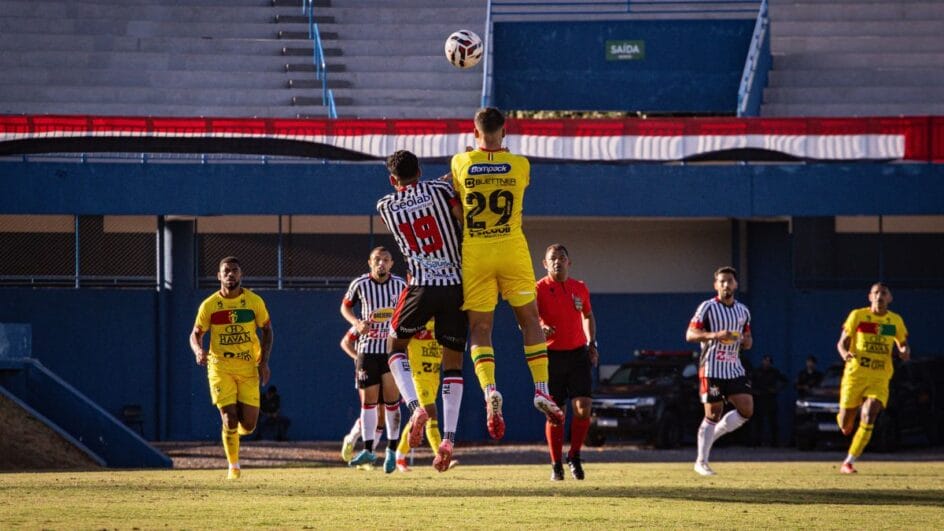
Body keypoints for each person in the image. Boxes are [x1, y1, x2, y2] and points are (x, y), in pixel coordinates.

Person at [450, 107, 563, 441]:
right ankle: (541, 389)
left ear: (474, 133)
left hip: (477, 251)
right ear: (504, 131)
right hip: (512, 248)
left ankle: (490, 391)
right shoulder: (520, 165)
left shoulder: (461, 162)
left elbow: (457, 197)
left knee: (480, 328)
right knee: (529, 320)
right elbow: (509, 167)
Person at [377, 149, 469, 472]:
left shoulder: (386, 207)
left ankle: (415, 406)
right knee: (454, 362)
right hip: (456, 284)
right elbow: (458, 210)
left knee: (394, 347)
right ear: (421, 169)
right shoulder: (441, 192)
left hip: (421, 286)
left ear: (392, 179)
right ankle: (448, 439)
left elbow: (411, 194)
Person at [190, 256, 273, 480]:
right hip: (220, 367)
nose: (230, 274)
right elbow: (195, 334)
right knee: (229, 417)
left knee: (249, 424)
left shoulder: (254, 301)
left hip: (248, 366)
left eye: (234, 270)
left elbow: (267, 330)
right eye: (226, 271)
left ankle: (237, 432)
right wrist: (198, 350)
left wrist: (264, 361)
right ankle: (233, 466)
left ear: (241, 274)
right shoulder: (209, 305)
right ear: (219, 276)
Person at [340, 247, 407, 472]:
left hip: (391, 351)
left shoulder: (400, 285)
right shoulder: (360, 284)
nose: (381, 264)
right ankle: (368, 450)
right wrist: (357, 323)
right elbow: (345, 306)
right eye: (377, 260)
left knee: (391, 401)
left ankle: (391, 450)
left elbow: (411, 307)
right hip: (367, 351)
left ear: (391, 264)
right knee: (369, 403)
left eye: (385, 260)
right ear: (370, 262)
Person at [535, 244, 598, 481]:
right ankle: (556, 464)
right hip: (551, 357)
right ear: (545, 263)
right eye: (553, 259)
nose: (557, 262)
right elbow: (526, 321)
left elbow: (588, 315)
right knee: (555, 414)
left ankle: (575, 455)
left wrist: (592, 344)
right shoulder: (538, 289)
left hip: (578, 354)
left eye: (562, 258)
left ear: (569, 262)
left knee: (583, 409)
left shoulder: (579, 288)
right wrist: (541, 328)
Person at [835, 282, 910, 474]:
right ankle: (847, 419)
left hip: (879, 377)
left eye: (884, 293)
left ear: (890, 298)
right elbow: (842, 343)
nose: (880, 296)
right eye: (876, 293)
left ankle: (849, 462)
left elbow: (903, 345)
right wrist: (845, 355)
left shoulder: (895, 321)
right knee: (845, 424)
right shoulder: (858, 316)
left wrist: (904, 351)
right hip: (855, 375)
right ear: (870, 296)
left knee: (870, 413)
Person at [685, 266, 753, 476]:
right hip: (712, 367)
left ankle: (712, 436)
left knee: (747, 409)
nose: (726, 285)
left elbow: (749, 341)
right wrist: (715, 335)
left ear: (735, 284)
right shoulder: (707, 307)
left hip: (733, 367)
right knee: (713, 413)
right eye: (721, 281)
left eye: (729, 281)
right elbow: (690, 334)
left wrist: (742, 339)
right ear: (716, 285)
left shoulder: (743, 311)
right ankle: (701, 462)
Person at [393, 319, 456, 472]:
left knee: (417, 422)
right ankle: (440, 455)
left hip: (434, 377)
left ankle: (399, 457)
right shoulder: (417, 321)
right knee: (430, 414)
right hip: (418, 378)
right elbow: (400, 344)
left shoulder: (442, 324)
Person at [339, 329, 386, 469]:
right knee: (373, 409)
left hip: (386, 370)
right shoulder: (362, 323)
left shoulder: (391, 322)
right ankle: (351, 438)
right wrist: (359, 358)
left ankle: (368, 455)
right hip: (366, 372)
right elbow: (345, 342)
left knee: (382, 416)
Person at [750, 355, 787, 447]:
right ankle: (757, 442)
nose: (766, 363)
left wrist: (776, 389)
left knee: (773, 422)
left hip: (770, 400)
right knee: (758, 422)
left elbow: (785, 381)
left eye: (768, 361)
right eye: (765, 360)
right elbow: (749, 382)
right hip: (759, 399)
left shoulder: (774, 372)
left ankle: (774, 443)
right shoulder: (757, 372)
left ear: (771, 363)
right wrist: (754, 391)